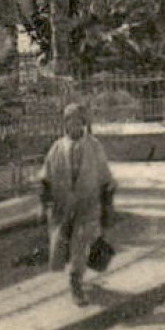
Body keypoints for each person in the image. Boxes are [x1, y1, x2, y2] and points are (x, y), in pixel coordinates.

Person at [39, 104, 117, 306]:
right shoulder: (57, 148)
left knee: (80, 242)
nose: (73, 125)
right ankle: (77, 273)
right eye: (69, 121)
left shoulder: (94, 146)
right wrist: (43, 204)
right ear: (64, 124)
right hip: (63, 206)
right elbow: (45, 178)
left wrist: (108, 206)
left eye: (77, 121)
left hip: (88, 204)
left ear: (83, 123)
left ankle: (76, 283)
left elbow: (105, 178)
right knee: (61, 244)